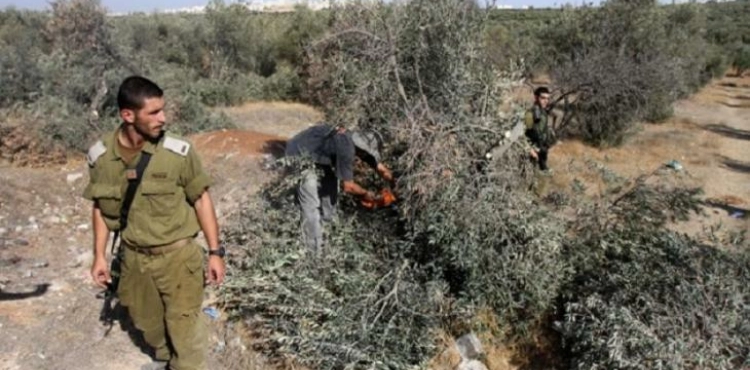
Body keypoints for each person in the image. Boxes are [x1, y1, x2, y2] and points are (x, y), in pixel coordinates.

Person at [84, 76, 225, 370]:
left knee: (185, 333)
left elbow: (201, 199)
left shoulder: (177, 153)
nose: (163, 118)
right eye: (154, 112)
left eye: (163, 110)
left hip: (178, 258)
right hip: (134, 260)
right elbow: (101, 208)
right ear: (128, 115)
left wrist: (215, 252)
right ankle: (165, 358)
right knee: (148, 324)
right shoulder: (101, 158)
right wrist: (99, 255)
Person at [285, 123, 394, 256]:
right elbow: (349, 187)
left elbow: (381, 168)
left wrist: (395, 184)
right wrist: (368, 195)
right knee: (311, 201)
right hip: (299, 152)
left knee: (330, 185)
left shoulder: (357, 144)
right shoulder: (346, 148)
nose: (364, 154)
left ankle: (328, 230)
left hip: (318, 155)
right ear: (360, 146)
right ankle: (314, 253)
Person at [524, 86, 556, 171]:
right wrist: (530, 150)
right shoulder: (530, 114)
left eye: (547, 98)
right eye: (543, 98)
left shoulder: (543, 113)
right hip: (530, 154)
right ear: (536, 97)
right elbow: (522, 134)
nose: (546, 101)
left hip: (541, 152)